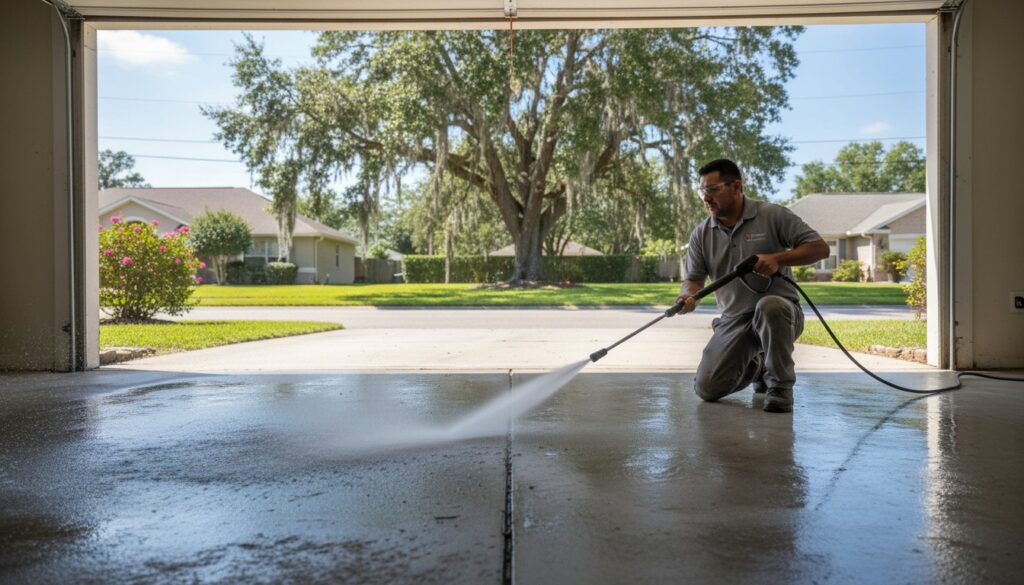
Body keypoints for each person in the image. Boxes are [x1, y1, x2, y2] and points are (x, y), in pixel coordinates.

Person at [676, 159, 830, 413]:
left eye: (712, 190)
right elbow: (693, 279)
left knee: (769, 305)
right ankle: (759, 365)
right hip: (734, 320)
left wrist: (777, 259)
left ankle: (780, 386)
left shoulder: (772, 215)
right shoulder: (702, 233)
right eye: (702, 191)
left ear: (736, 186)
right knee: (707, 389)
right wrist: (688, 296)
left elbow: (819, 248)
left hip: (781, 314)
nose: (706, 198)